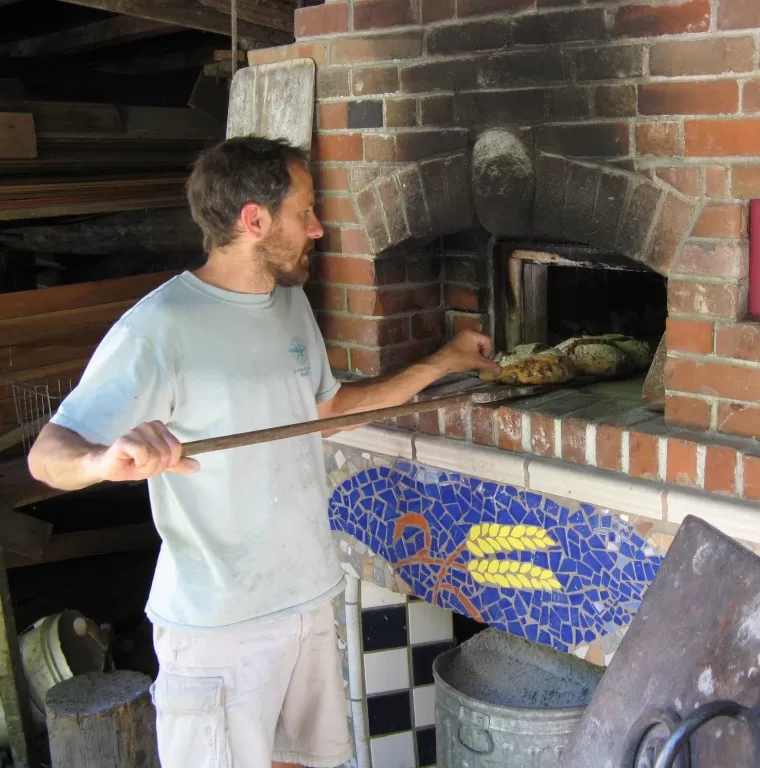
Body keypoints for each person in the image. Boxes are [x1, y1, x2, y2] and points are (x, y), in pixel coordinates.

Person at [27, 135, 501, 768]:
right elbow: (47, 456)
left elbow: (324, 414)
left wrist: (443, 362)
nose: (318, 227)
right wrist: (102, 461)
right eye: (305, 210)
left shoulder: (289, 307)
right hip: (219, 626)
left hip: (304, 599)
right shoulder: (159, 326)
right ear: (255, 220)